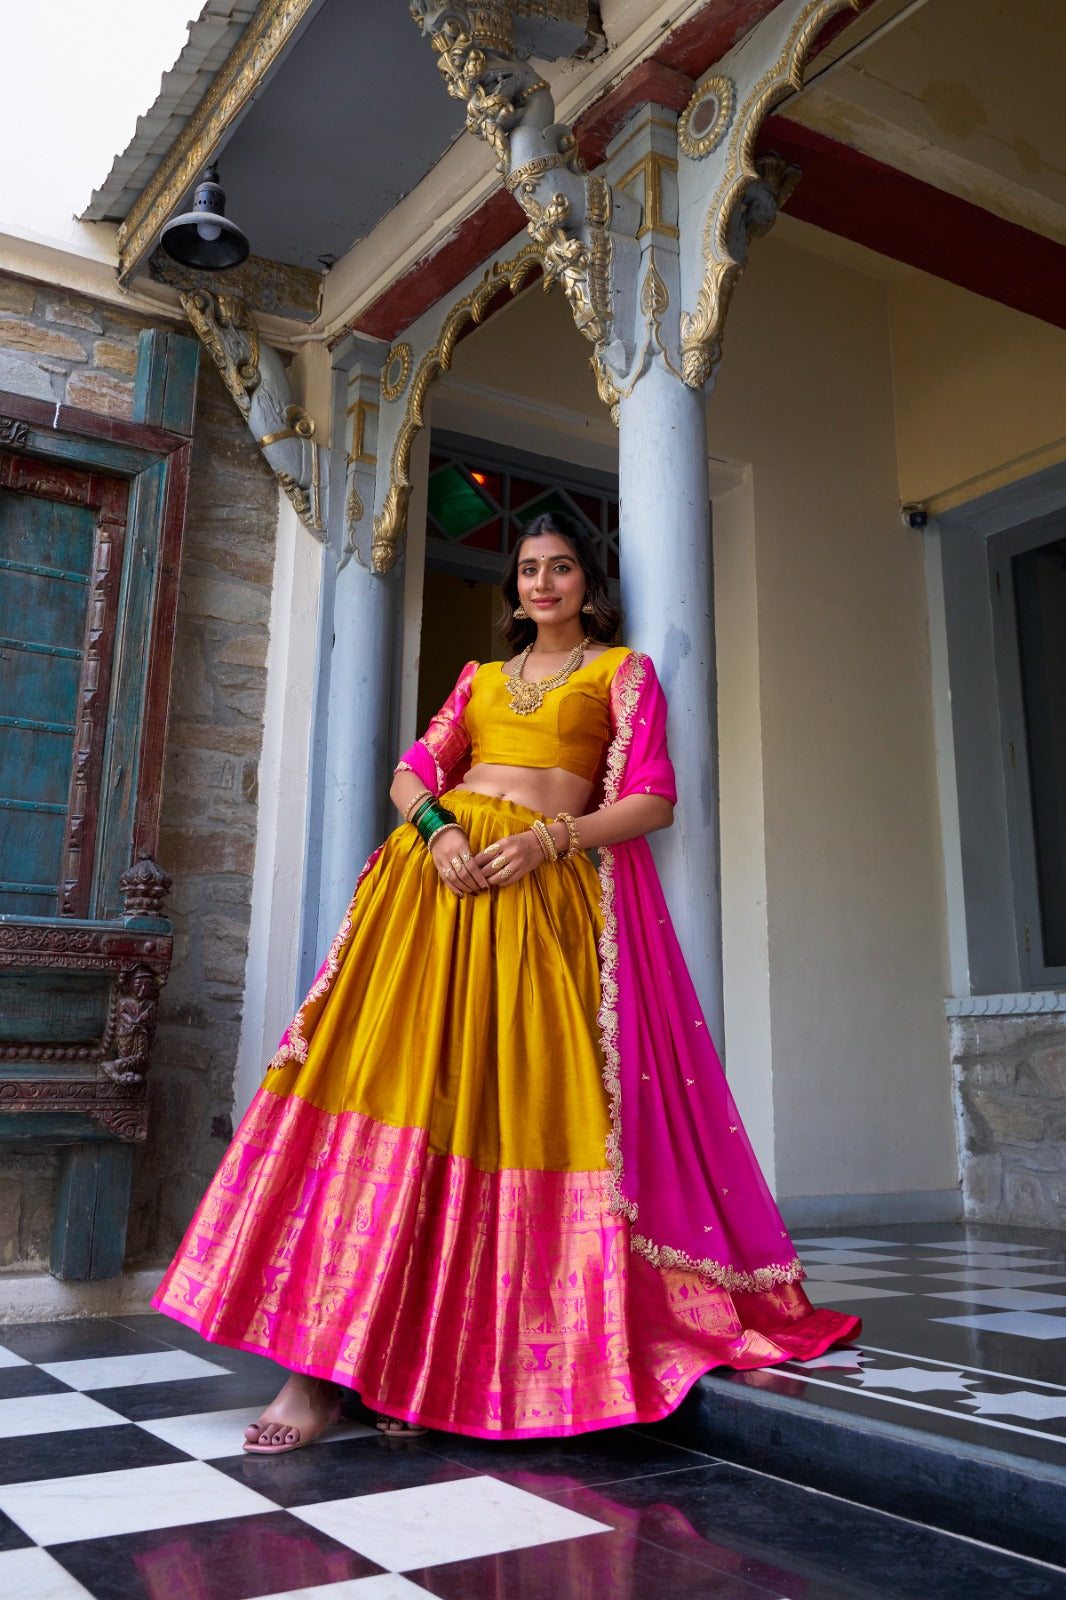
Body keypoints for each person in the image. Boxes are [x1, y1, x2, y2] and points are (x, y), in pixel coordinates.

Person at [153, 511, 860, 1451]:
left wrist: (547, 841)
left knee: (502, 1111)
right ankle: (315, 1380)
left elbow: (650, 797)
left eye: (560, 567)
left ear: (589, 584)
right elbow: (412, 772)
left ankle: (422, 1368)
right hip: (432, 894)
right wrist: (439, 830)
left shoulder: (622, 674)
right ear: (513, 590)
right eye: (528, 569)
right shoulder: (480, 681)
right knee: (389, 1095)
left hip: (535, 899)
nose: (543, 582)